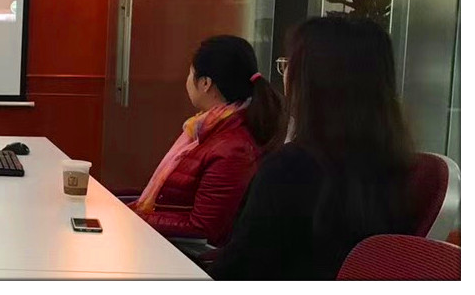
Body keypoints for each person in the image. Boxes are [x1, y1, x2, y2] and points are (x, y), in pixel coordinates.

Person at [209, 17, 418, 280]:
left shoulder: (288, 169)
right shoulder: (400, 168)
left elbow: (236, 272)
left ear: (311, 82)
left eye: (288, 65)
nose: (285, 76)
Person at [131, 36, 285, 246]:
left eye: (190, 72)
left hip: (183, 256)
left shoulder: (233, 149)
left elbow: (203, 229)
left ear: (205, 83)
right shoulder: (206, 129)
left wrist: (135, 219)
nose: (187, 80)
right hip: (163, 242)